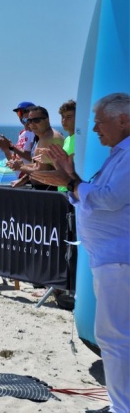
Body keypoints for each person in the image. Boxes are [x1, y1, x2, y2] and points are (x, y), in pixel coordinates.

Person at [30, 92, 130, 413]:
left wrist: (72, 182)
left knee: (113, 339)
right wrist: (71, 180)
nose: (96, 129)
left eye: (100, 122)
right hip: (110, 259)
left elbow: (109, 199)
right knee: (116, 338)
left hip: (119, 261)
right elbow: (93, 195)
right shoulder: (119, 154)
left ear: (124, 121)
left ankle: (121, 408)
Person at [7, 106, 64, 190]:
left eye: (36, 120)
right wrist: (23, 179)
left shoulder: (49, 138)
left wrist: (21, 167)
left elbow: (41, 172)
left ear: (47, 120)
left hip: (48, 190)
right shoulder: (44, 136)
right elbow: (40, 165)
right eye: (29, 121)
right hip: (44, 188)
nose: (32, 124)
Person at [56, 99, 76, 192]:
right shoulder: (67, 139)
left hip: (73, 190)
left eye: (69, 117)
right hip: (62, 189)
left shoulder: (81, 140)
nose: (64, 120)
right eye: (63, 117)